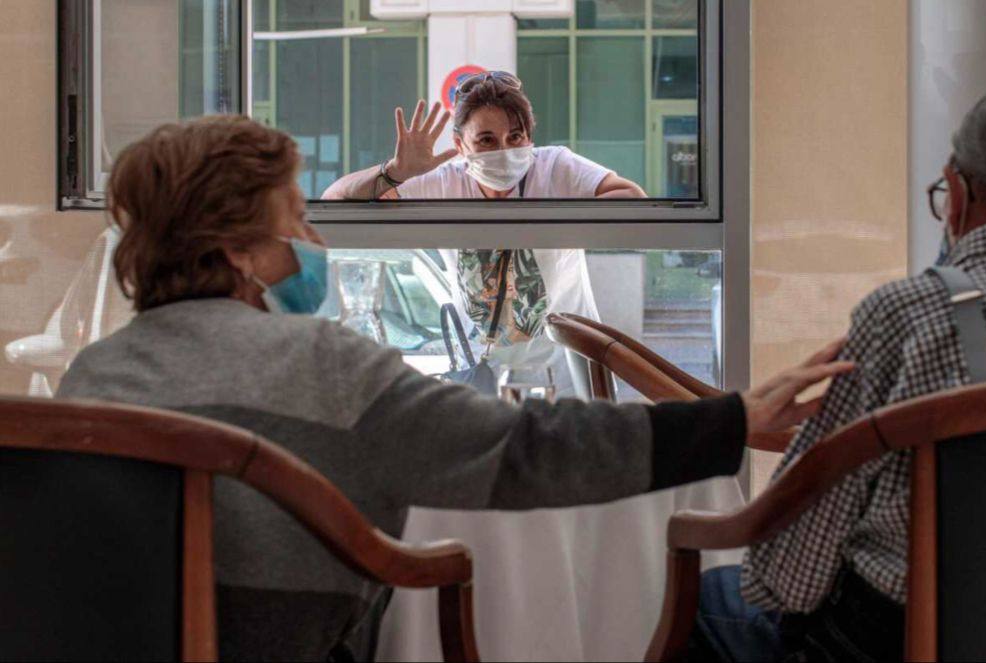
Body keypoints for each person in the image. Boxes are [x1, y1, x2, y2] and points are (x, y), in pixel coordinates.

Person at [57, 115, 851, 661]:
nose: (313, 241)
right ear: (236, 250)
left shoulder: (93, 378)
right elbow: (525, 450)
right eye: (295, 221)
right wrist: (730, 418)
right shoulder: (325, 366)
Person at [690, 87, 986, 662]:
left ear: (955, 195)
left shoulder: (906, 314)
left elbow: (787, 580)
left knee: (708, 601)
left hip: (903, 640)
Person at [323, 72, 645, 396]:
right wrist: (393, 173)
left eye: (515, 137)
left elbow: (632, 199)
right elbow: (334, 203)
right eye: (486, 140)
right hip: (483, 378)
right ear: (460, 145)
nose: (503, 150)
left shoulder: (555, 167)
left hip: (565, 376)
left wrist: (555, 220)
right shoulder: (443, 182)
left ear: (530, 139)